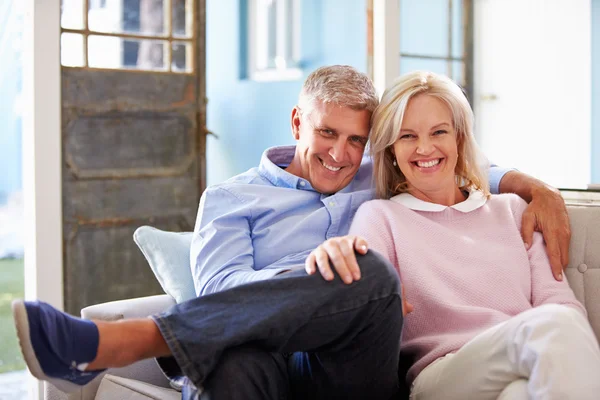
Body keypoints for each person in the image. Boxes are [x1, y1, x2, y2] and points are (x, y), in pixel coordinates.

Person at [12, 66, 572, 400]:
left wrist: (535, 188)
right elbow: (225, 295)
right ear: (298, 121)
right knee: (238, 361)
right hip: (263, 355)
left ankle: (137, 339)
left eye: (357, 140)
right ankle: (145, 340)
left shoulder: (379, 175)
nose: (340, 154)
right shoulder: (231, 200)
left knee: (365, 270)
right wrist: (316, 272)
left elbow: (451, 160)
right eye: (328, 132)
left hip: (349, 369)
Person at [310, 70, 600, 399]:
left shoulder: (513, 210)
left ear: (459, 139)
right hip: (443, 375)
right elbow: (367, 300)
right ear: (390, 149)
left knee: (519, 392)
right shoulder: (380, 218)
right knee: (554, 325)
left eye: (439, 132)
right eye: (407, 136)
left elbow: (560, 302)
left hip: (525, 357)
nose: (424, 147)